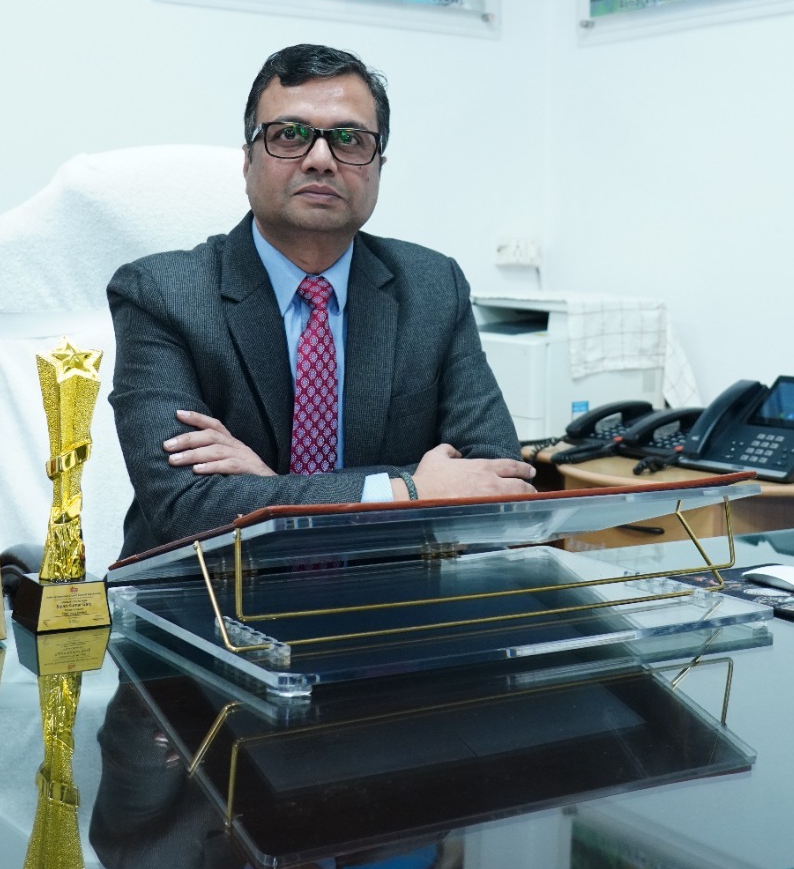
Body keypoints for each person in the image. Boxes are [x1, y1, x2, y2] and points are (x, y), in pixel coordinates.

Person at [107, 43, 534, 557]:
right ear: (247, 160)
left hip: (384, 586)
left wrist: (270, 489)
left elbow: (498, 481)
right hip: (211, 592)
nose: (320, 159)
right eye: (289, 135)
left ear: (378, 165)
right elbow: (184, 507)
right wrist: (408, 490)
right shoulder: (161, 293)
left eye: (349, 139)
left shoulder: (433, 286)